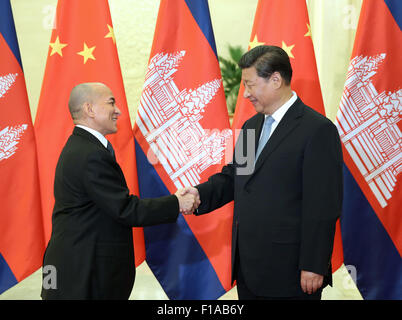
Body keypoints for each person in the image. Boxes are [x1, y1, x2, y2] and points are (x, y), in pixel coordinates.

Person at [181, 45, 343, 300]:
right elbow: (234, 176)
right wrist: (199, 194)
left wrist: (313, 264)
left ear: (276, 80)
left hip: (291, 270)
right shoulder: (250, 126)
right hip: (248, 266)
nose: (245, 94)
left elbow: (322, 206)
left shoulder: (317, 130)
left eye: (250, 84)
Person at [41, 82, 197, 300]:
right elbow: (125, 209)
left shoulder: (83, 147)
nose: (118, 110)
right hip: (82, 273)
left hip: (77, 267)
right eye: (111, 103)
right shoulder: (89, 154)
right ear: (90, 109)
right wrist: (176, 203)